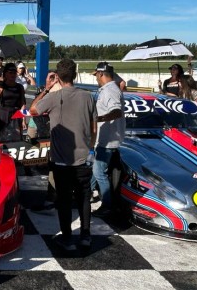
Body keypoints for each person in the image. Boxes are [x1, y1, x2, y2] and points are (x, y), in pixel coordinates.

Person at [29, 58, 97, 250]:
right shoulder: (87, 96)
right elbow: (94, 127)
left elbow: (33, 109)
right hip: (83, 157)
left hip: (61, 161)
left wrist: (47, 87)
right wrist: (90, 146)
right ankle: (85, 235)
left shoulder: (53, 97)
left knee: (64, 200)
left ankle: (67, 237)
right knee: (84, 198)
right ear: (75, 75)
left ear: (57, 77)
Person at [90, 62, 125, 218]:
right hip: (104, 139)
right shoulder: (110, 88)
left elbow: (116, 111)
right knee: (95, 169)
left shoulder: (110, 90)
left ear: (101, 74)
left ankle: (107, 206)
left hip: (107, 140)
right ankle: (86, 193)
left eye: (96, 75)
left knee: (99, 173)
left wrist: (99, 118)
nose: (96, 78)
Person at [0, 63, 25, 139]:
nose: (12, 75)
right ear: (5, 74)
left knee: (17, 138)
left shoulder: (20, 87)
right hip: (3, 114)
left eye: (14, 73)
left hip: (16, 114)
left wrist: (23, 119)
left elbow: (23, 104)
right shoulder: (0, 86)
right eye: (10, 73)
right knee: (2, 138)